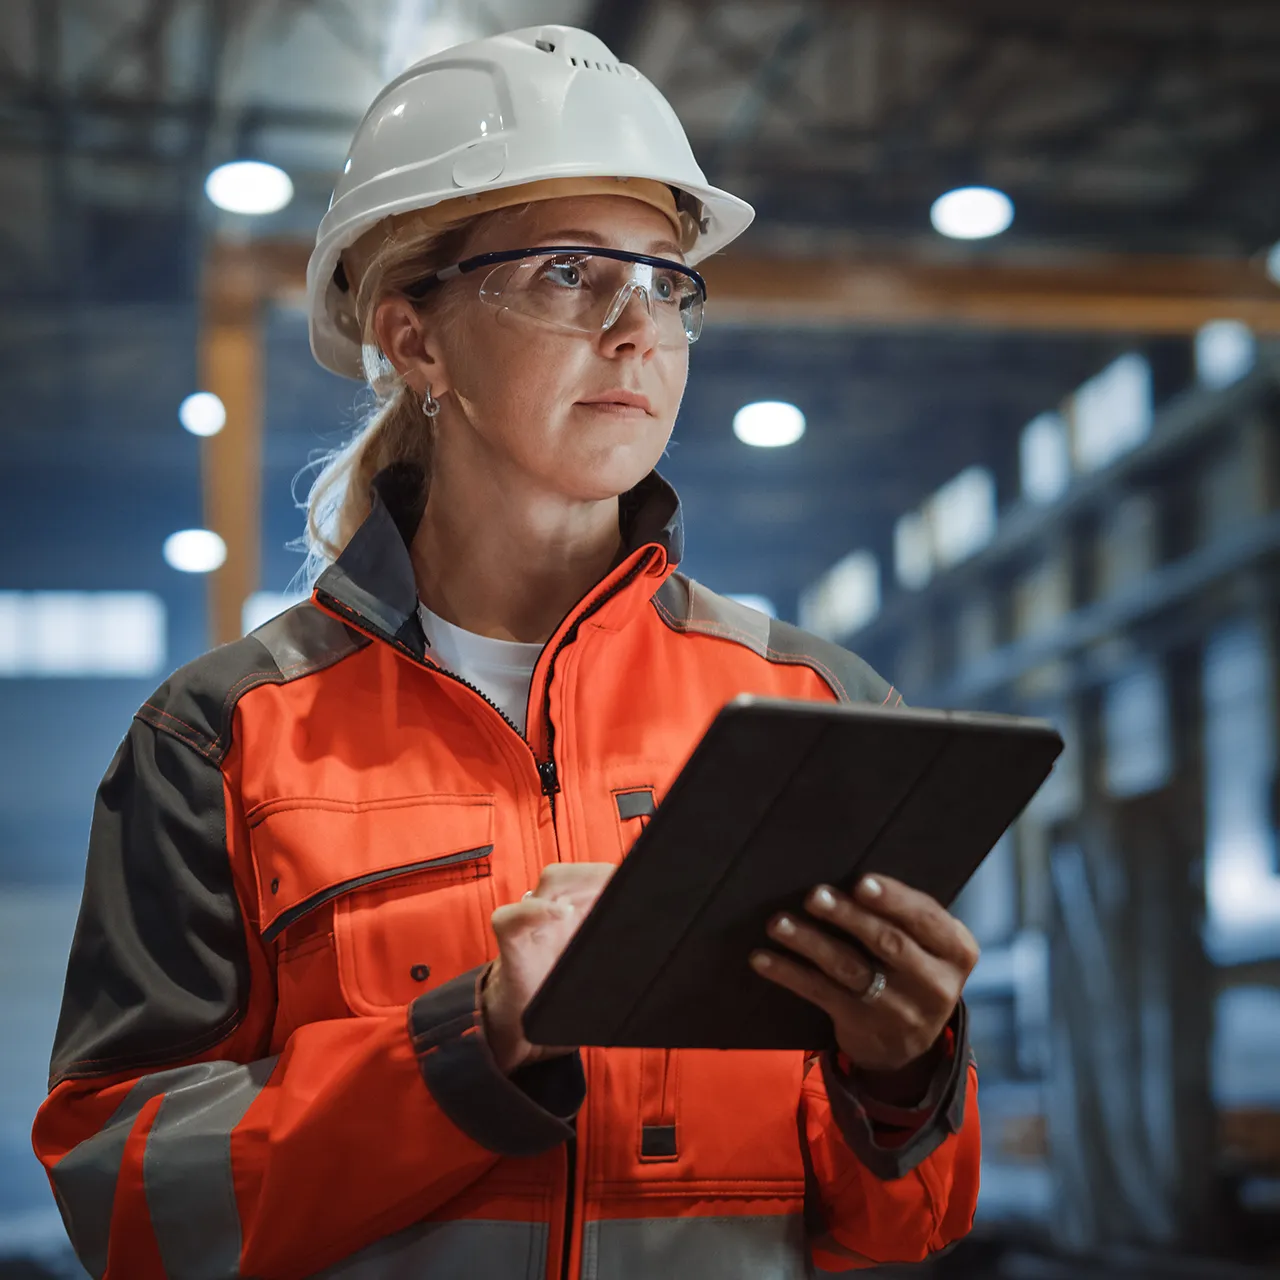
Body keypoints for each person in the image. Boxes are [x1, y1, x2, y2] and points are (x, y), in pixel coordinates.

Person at [33, 25, 981, 1279]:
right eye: (568, 273)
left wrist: (904, 1075)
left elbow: (903, 1225)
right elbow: (128, 1203)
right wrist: (469, 1045)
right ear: (414, 339)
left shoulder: (815, 703)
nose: (637, 328)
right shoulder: (224, 738)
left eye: (664, 283)